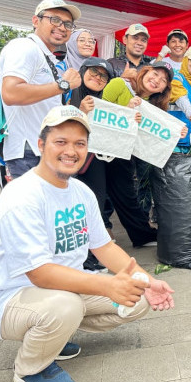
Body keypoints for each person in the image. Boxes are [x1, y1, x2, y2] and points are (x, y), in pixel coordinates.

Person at [0, 105, 175, 382]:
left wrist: (148, 280)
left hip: (62, 289)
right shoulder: (21, 196)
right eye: (61, 142)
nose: (71, 150)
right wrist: (106, 287)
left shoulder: (81, 192)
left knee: (139, 296)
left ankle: (55, 334)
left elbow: (104, 247)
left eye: (79, 143)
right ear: (41, 145)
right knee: (66, 306)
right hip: (7, 299)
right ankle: (30, 369)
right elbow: (40, 274)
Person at [0, 0, 82, 180]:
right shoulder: (24, 47)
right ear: (36, 21)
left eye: (68, 24)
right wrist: (63, 85)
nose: (62, 27)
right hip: (27, 151)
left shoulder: (46, 55)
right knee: (31, 208)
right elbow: (11, 93)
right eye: (55, 19)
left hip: (43, 149)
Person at [102, 62, 179, 248]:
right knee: (98, 196)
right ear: (145, 72)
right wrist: (126, 110)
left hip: (124, 155)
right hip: (100, 152)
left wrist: (176, 132)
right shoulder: (120, 85)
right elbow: (98, 110)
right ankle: (100, 237)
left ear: (164, 89)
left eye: (162, 81)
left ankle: (142, 235)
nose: (156, 81)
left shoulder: (152, 108)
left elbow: (151, 137)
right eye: (155, 74)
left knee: (127, 197)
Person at [69, 58, 116, 270]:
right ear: (83, 71)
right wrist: (79, 111)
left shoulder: (107, 102)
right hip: (69, 160)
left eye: (103, 76)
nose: (97, 78)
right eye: (93, 72)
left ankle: (90, 259)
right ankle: (77, 260)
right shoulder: (66, 92)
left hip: (95, 161)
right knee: (72, 210)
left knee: (94, 205)